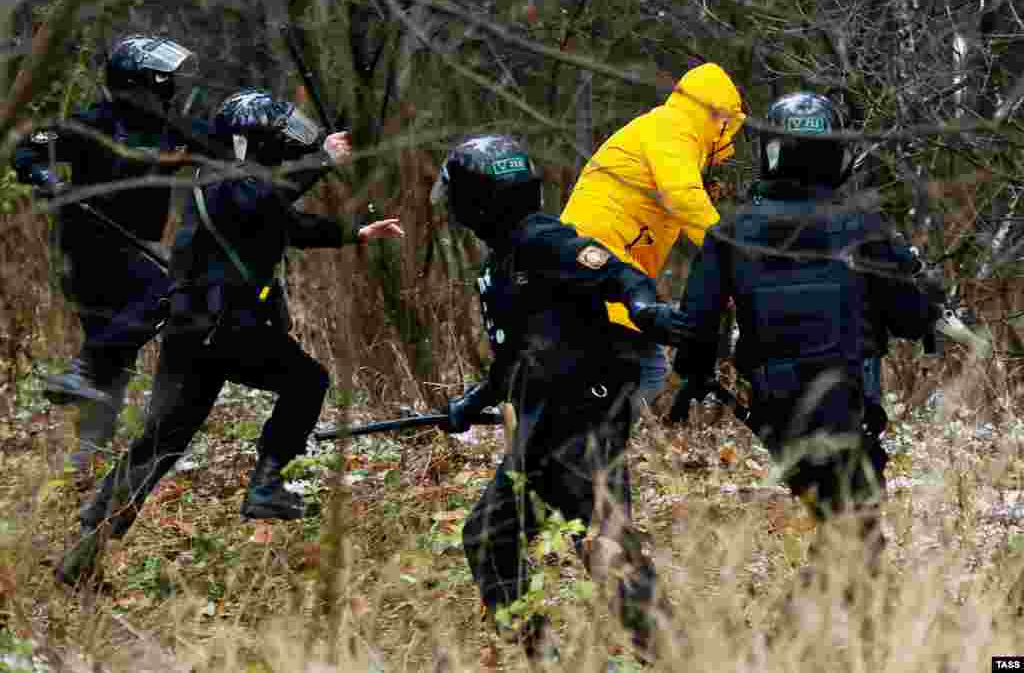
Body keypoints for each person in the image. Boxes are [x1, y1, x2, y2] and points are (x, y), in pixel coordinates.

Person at [56, 89, 404, 586]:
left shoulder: (228, 179)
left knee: (160, 443)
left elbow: (290, 225)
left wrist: (356, 233)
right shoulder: (229, 178)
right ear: (252, 141)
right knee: (308, 382)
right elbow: (267, 199)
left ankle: (83, 555)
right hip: (227, 328)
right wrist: (320, 161)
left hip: (193, 332)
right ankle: (265, 486)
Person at [431, 134, 688, 664]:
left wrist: (647, 312)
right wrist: (471, 400)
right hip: (539, 431)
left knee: (607, 550)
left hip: (583, 424)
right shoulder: (500, 264)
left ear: (478, 201)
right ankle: (542, 656)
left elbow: (621, 275)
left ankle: (672, 658)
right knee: (488, 537)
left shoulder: (542, 240)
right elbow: (513, 359)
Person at [669, 92, 942, 574]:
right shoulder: (863, 228)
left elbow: (696, 326)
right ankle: (794, 639)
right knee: (853, 534)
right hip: (846, 404)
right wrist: (920, 287)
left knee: (849, 530)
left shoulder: (731, 231)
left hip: (776, 410)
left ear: (772, 152)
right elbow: (912, 318)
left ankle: (825, 640)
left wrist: (694, 375)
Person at [12, 35, 212, 474]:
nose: (171, 87)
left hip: (137, 245)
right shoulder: (91, 123)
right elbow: (27, 146)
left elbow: (229, 153)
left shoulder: (170, 128)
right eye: (164, 79)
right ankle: (84, 375)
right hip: (88, 247)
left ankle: (86, 457)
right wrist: (45, 177)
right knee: (163, 296)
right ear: (139, 80)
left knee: (114, 359)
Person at [560, 62, 745, 404]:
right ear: (714, 114)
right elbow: (684, 199)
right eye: (725, 122)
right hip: (601, 263)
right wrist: (734, 257)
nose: (726, 131)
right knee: (647, 369)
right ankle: (604, 444)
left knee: (626, 369)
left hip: (598, 262)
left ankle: (594, 440)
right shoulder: (673, 128)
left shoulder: (667, 131)